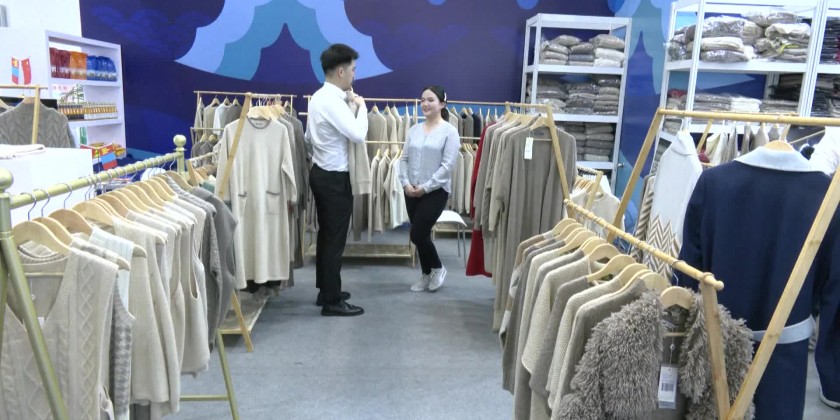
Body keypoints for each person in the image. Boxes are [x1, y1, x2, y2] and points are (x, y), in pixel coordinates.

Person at [305, 44, 368, 316]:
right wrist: (362, 107)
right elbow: (357, 134)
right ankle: (331, 301)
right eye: (353, 69)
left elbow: (308, 139)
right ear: (341, 71)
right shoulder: (332, 100)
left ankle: (326, 290)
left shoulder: (319, 97)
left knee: (327, 236)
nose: (354, 74)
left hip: (322, 172)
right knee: (334, 240)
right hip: (334, 178)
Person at [399, 85, 461, 292]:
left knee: (417, 234)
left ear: (442, 104)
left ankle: (438, 268)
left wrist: (425, 188)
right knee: (422, 235)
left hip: (436, 191)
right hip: (411, 190)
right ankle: (426, 274)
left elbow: (447, 166)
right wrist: (405, 183)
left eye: (430, 100)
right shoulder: (414, 130)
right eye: (422, 100)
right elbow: (404, 159)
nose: (425, 104)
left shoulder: (450, 132)